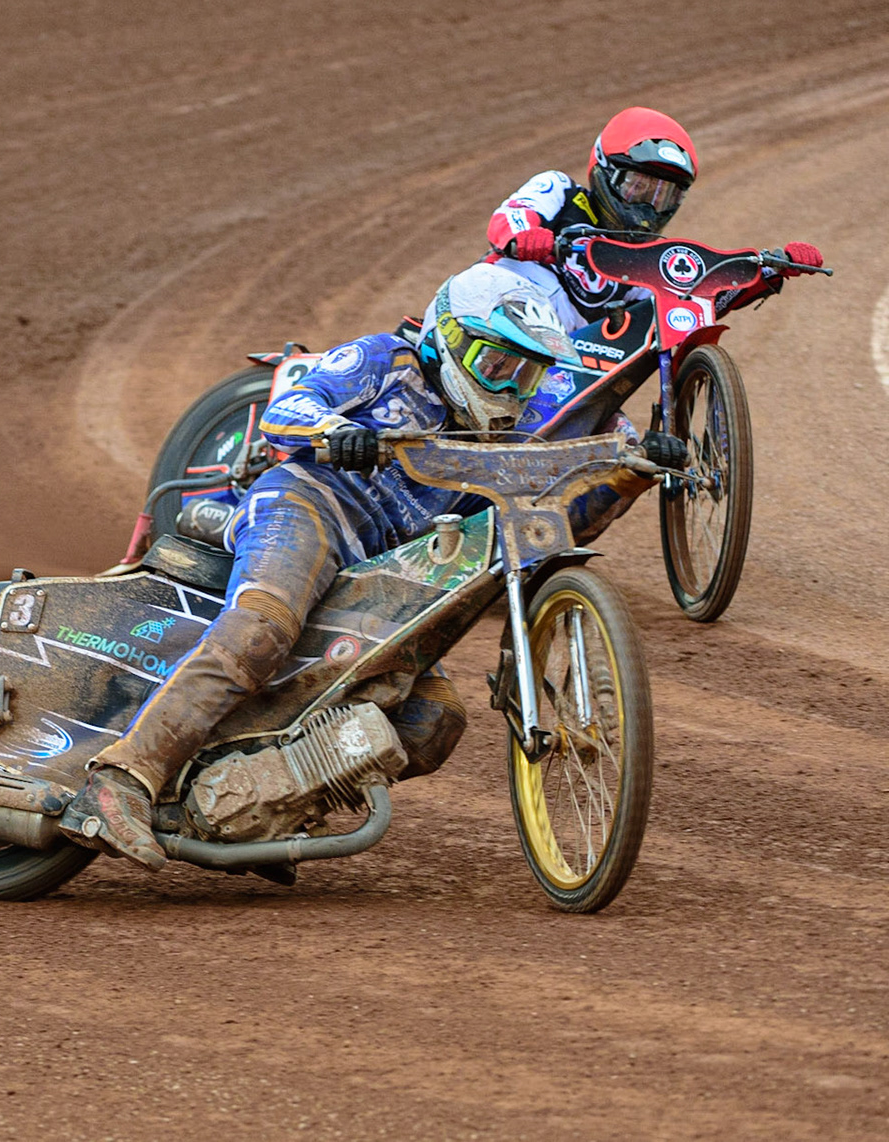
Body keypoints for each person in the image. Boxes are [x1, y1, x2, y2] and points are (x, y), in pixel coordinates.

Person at [59, 282, 687, 870]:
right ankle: (119, 780)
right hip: (310, 505)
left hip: (386, 566)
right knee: (263, 629)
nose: (509, 387)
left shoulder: (507, 434)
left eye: (526, 374)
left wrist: (630, 470)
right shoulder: (386, 360)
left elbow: (564, 512)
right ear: (449, 339)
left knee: (433, 720)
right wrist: (338, 432)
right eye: (496, 365)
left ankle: (264, 805)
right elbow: (288, 406)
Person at [422, 107, 822, 341]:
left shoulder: (646, 260)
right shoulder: (559, 190)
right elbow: (510, 215)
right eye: (639, 186)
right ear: (605, 170)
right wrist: (525, 237)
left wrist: (768, 272)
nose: (649, 204)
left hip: (555, 372)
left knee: (629, 452)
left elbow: (692, 305)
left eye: (664, 194)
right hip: (481, 320)